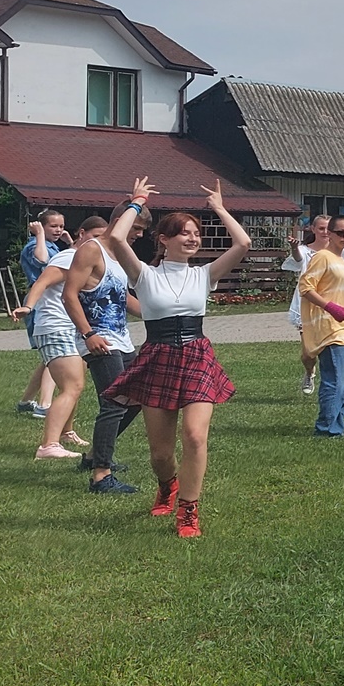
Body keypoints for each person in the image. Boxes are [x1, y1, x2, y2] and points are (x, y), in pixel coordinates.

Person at [101, 178, 254, 538]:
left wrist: (218, 208)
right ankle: (167, 484)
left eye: (196, 233)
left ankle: (188, 510)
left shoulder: (204, 275)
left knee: (196, 437)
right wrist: (136, 202)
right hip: (158, 357)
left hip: (198, 356)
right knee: (160, 454)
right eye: (183, 233)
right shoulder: (143, 275)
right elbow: (116, 240)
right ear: (164, 240)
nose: (192, 238)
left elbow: (243, 243)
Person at [64, 209, 149, 491]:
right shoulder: (91, 250)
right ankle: (101, 475)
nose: (139, 234)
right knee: (115, 402)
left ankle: (94, 457)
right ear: (118, 222)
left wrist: (160, 312)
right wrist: (88, 334)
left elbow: (122, 297)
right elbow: (69, 294)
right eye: (135, 227)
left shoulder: (119, 257)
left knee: (137, 399)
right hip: (97, 339)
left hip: (121, 339)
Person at [10, 218, 104, 460]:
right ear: (82, 234)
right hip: (55, 326)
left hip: (71, 328)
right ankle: (48, 446)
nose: (98, 241)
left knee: (74, 385)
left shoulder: (82, 257)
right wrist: (28, 307)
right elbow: (41, 281)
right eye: (95, 235)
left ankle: (66, 432)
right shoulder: (68, 258)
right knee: (73, 385)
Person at [298, 216, 344, 438]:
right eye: (342, 233)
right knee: (336, 377)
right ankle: (326, 428)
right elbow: (306, 288)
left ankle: (338, 420)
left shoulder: (341, 261)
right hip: (330, 327)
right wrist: (330, 308)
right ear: (330, 234)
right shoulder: (322, 257)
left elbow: (335, 290)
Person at [283, 215, 344, 395]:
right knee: (308, 353)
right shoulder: (308, 251)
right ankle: (310, 372)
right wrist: (294, 248)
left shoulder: (337, 252)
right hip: (311, 306)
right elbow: (298, 263)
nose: (325, 232)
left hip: (334, 311)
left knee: (337, 367)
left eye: (328, 228)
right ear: (313, 229)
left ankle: (334, 406)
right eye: (321, 228)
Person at [15, 210, 67, 420]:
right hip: (41, 304)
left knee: (48, 356)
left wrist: (69, 240)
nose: (58, 230)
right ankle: (44, 405)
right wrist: (38, 236)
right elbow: (42, 259)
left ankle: (26, 402)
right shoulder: (34, 245)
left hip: (53, 302)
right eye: (53, 226)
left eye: (61, 226)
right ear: (41, 226)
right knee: (53, 357)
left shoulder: (54, 246)